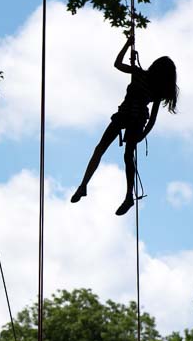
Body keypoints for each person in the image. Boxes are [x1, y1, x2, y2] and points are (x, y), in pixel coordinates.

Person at [70, 35, 178, 215]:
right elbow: (118, 64)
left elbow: (152, 120)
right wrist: (128, 44)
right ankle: (84, 186)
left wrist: (128, 45)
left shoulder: (148, 83)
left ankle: (127, 196)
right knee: (107, 150)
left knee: (120, 154)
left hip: (133, 117)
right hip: (128, 115)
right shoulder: (141, 76)